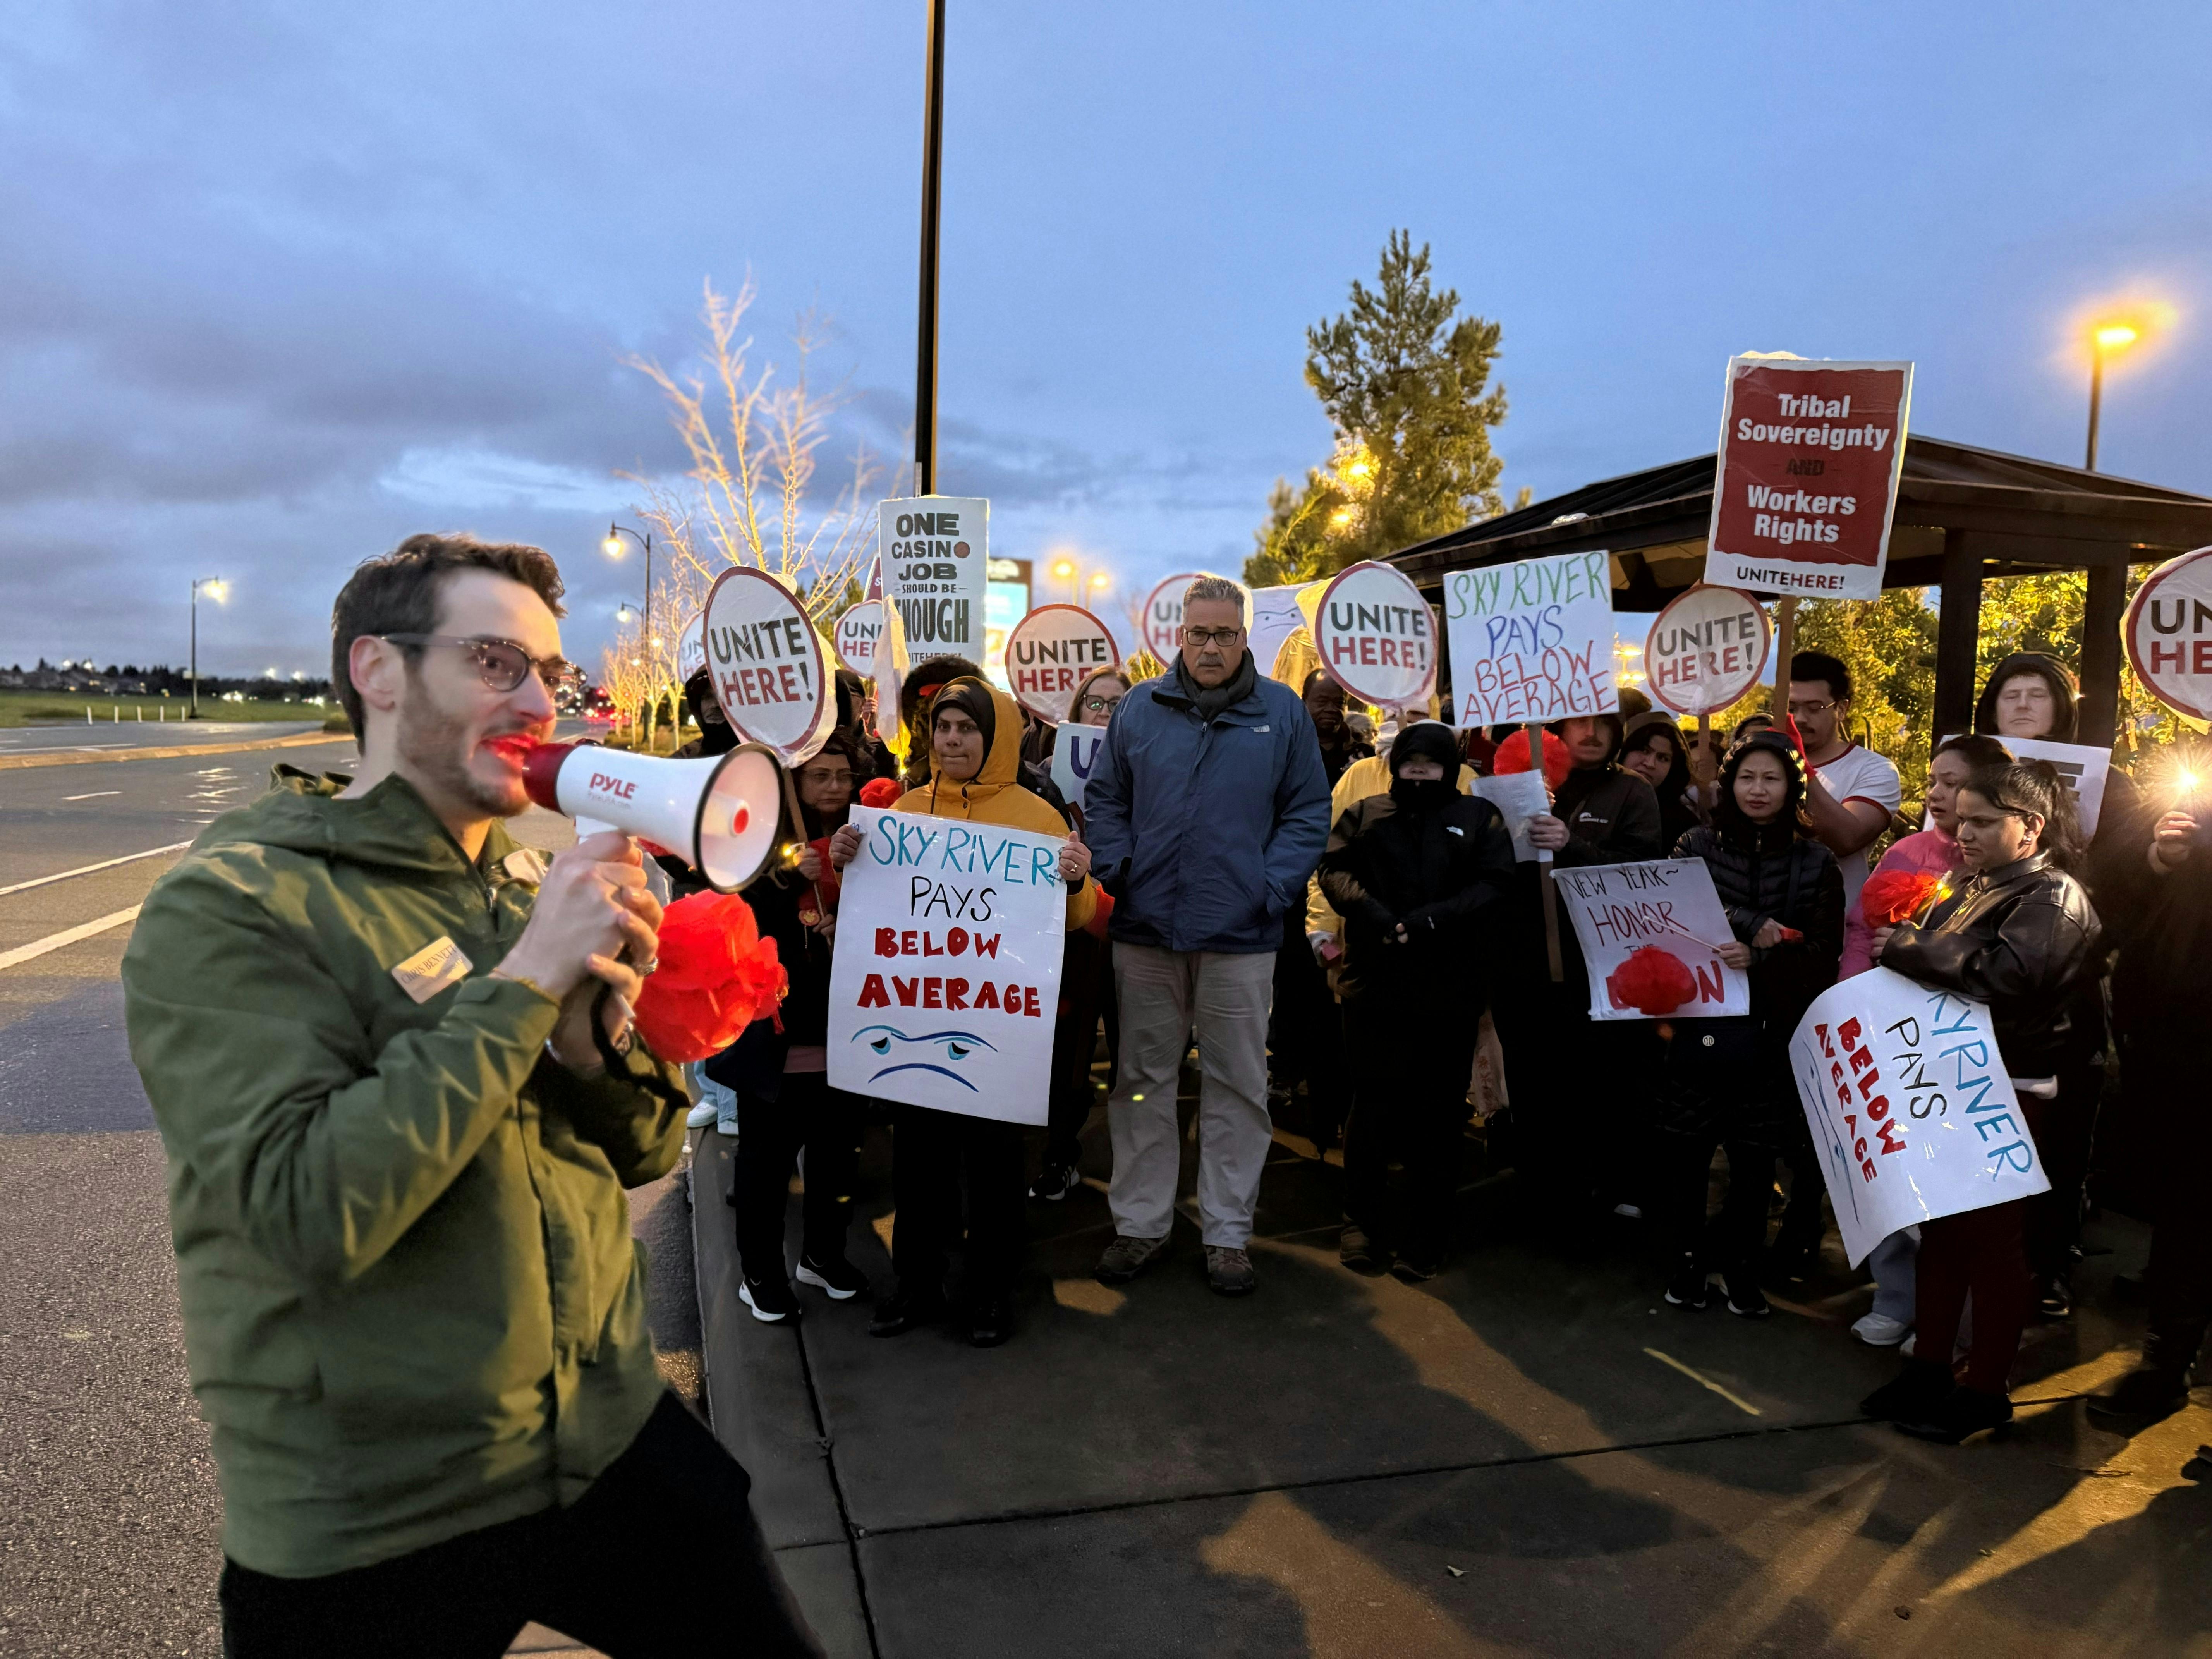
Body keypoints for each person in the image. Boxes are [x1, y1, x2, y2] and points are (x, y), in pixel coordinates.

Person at [119, 534, 820, 1656]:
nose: (541, 701)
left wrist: (593, 1047)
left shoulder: (525, 883)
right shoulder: (234, 905)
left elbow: (646, 1151)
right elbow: (304, 1212)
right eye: (497, 662)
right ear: (378, 670)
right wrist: (529, 982)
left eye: (551, 671)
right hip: (375, 1507)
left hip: (606, 1432)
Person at [1083, 575, 1332, 1296]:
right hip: (1147, 930)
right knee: (1140, 1083)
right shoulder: (1139, 708)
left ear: (1243, 637)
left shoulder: (1281, 713)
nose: (1212, 647)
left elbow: (1307, 811)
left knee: (1238, 1086)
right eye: (1200, 634)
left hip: (1240, 936)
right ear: (1181, 637)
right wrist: (1121, 868)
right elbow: (1106, 798)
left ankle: (1226, 1234)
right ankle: (1141, 1224)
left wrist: (1269, 889)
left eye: (1225, 634)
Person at [830, 678, 1097, 1346]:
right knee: (917, 1163)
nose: (951, 741)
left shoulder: (1037, 817)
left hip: (997, 1030)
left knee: (995, 1168)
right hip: (919, 1024)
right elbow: (870, 905)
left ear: (996, 736)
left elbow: (1078, 916)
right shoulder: (905, 811)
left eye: (967, 729)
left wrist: (1076, 878)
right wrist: (845, 861)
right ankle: (915, 1282)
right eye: (944, 728)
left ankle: (990, 1292)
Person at [1860, 761, 2101, 1444]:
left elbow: (2012, 976)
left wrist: (1909, 945)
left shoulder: (2054, 895)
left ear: (2031, 826)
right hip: (1953, 1081)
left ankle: (1986, 1388)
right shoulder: (1976, 884)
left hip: (2007, 1091)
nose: (1963, 832)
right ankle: (1930, 1368)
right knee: (1941, 1232)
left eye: (1983, 821)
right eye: (1961, 819)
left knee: (1993, 1244)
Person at [1319, 721, 1516, 1279]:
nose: (1421, 772)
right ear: (1397, 764)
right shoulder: (1367, 813)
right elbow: (1333, 870)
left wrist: (1435, 919)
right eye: (1412, 763)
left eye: (1432, 763)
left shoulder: (1478, 817)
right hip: (1374, 985)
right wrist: (1376, 915)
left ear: (1450, 767)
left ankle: (1428, 1234)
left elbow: (1497, 882)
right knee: (1372, 1106)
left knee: (1438, 1112)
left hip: (1449, 991)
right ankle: (1361, 1222)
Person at [1656, 733, 1843, 1317]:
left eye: (1772, 778)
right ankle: (1687, 1263)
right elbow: (1668, 919)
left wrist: (1762, 958)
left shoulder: (1817, 862)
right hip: (1701, 1024)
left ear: (1793, 789)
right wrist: (1743, 920)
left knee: (1756, 1158)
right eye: (1746, 777)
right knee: (1689, 1153)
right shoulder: (1695, 845)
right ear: (1729, 784)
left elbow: (1824, 955)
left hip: (1773, 1030)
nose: (1758, 790)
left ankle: (1742, 1267)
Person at [1837, 733, 2012, 1347]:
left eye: (1953, 783)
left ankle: (1950, 1322)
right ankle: (1895, 1297)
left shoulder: (2009, 874)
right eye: (1934, 781)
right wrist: (1852, 1001)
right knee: (1890, 1166)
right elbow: (1862, 933)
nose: (1938, 795)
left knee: (1953, 1189)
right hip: (1889, 1032)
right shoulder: (1907, 852)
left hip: (1962, 1048)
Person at [714, 735, 872, 1323]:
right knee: (766, 1165)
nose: (834, 786)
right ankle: (759, 1274)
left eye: (843, 776)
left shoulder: (873, 839)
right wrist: (784, 882)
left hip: (846, 1034)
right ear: (795, 782)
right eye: (820, 776)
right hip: (776, 1040)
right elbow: (730, 921)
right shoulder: (753, 841)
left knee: (836, 1160)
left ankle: (823, 1256)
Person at [1501, 711, 1663, 1223]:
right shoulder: (1524, 785)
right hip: (1527, 962)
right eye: (1579, 724)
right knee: (1534, 1081)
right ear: (1557, 730)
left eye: (1603, 724)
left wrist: (1571, 846)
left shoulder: (1632, 792)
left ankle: (1606, 1188)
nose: (1592, 734)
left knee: (1601, 1081)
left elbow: (1640, 870)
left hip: (1599, 967)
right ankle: (1540, 1190)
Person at [2087, 766, 2212, 1423]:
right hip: (2177, 1041)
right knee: (2187, 1200)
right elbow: (2121, 904)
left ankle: (2169, 1359)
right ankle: (2168, 1356)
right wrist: (2160, 861)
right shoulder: (2193, 809)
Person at [1031, 666, 1130, 1202]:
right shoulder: (1046, 776)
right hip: (1069, 932)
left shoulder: (1150, 769)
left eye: (1117, 705)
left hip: (1130, 929)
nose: (1104, 714)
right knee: (1067, 1050)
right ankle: (1060, 1153)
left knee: (1132, 1049)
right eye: (1096, 702)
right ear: (1077, 710)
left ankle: (1137, 1167)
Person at [1788, 651, 1902, 917]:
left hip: (1838, 929)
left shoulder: (1875, 770)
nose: (1800, 718)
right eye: (1791, 708)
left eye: (1814, 708)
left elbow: (1846, 839)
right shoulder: (1763, 764)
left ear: (1841, 709)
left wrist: (1799, 767)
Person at [1619, 711, 1700, 848]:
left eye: (1663, 758)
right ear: (1623, 751)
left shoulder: (1685, 828)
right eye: (1644, 751)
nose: (1650, 764)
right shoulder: (1592, 804)